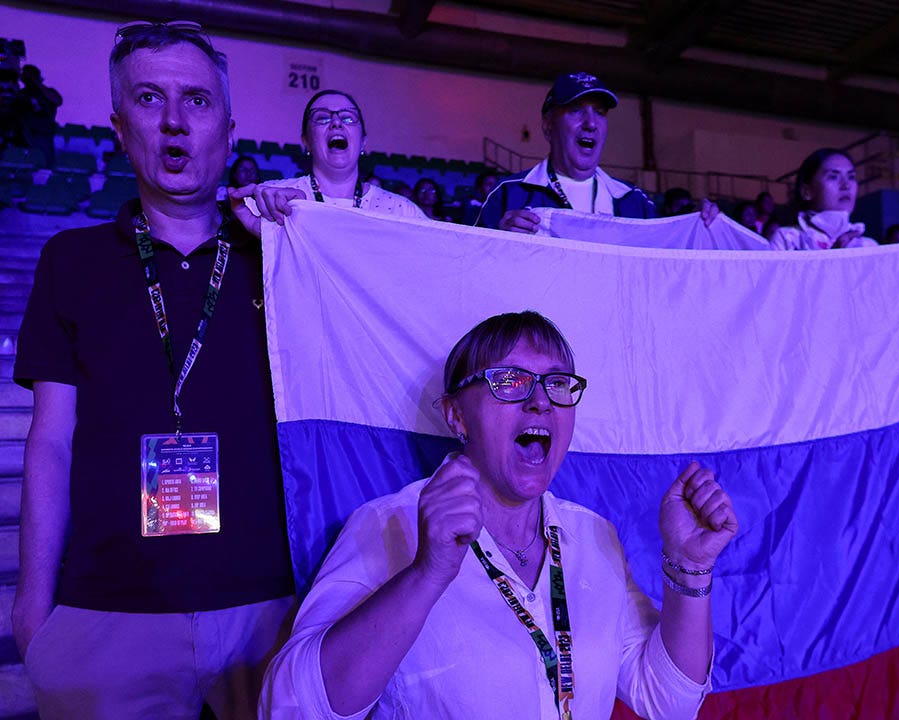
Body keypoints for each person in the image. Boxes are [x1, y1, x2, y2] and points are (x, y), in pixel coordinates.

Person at [12, 21, 294, 719]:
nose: (174, 122)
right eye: (149, 99)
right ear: (117, 127)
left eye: (196, 101)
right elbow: (50, 440)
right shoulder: (69, 261)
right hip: (108, 609)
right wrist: (31, 606)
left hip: (267, 604)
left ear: (228, 130)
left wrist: (312, 234)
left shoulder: (284, 258)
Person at [262, 311, 737, 719]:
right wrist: (428, 574)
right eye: (508, 380)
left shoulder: (594, 536)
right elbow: (288, 707)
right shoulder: (389, 526)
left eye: (556, 383)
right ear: (456, 417)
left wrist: (689, 568)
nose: (540, 400)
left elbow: (668, 701)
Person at [477, 72, 717, 232]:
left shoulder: (635, 203)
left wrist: (700, 225)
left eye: (600, 113)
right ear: (549, 125)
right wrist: (497, 240)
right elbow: (467, 269)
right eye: (576, 110)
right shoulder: (507, 194)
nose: (591, 123)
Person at [231, 89, 424, 235]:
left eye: (348, 118)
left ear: (363, 140)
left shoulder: (403, 212)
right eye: (322, 118)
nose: (336, 123)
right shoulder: (273, 200)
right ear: (306, 141)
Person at [768, 148, 877, 250]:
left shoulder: (868, 247)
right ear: (807, 191)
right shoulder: (788, 239)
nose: (846, 185)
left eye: (851, 177)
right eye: (833, 176)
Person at [15, 64, 61, 167]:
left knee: (44, 165)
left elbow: (57, 101)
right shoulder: (22, 94)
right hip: (25, 135)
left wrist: (38, 84)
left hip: (43, 134)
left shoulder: (48, 92)